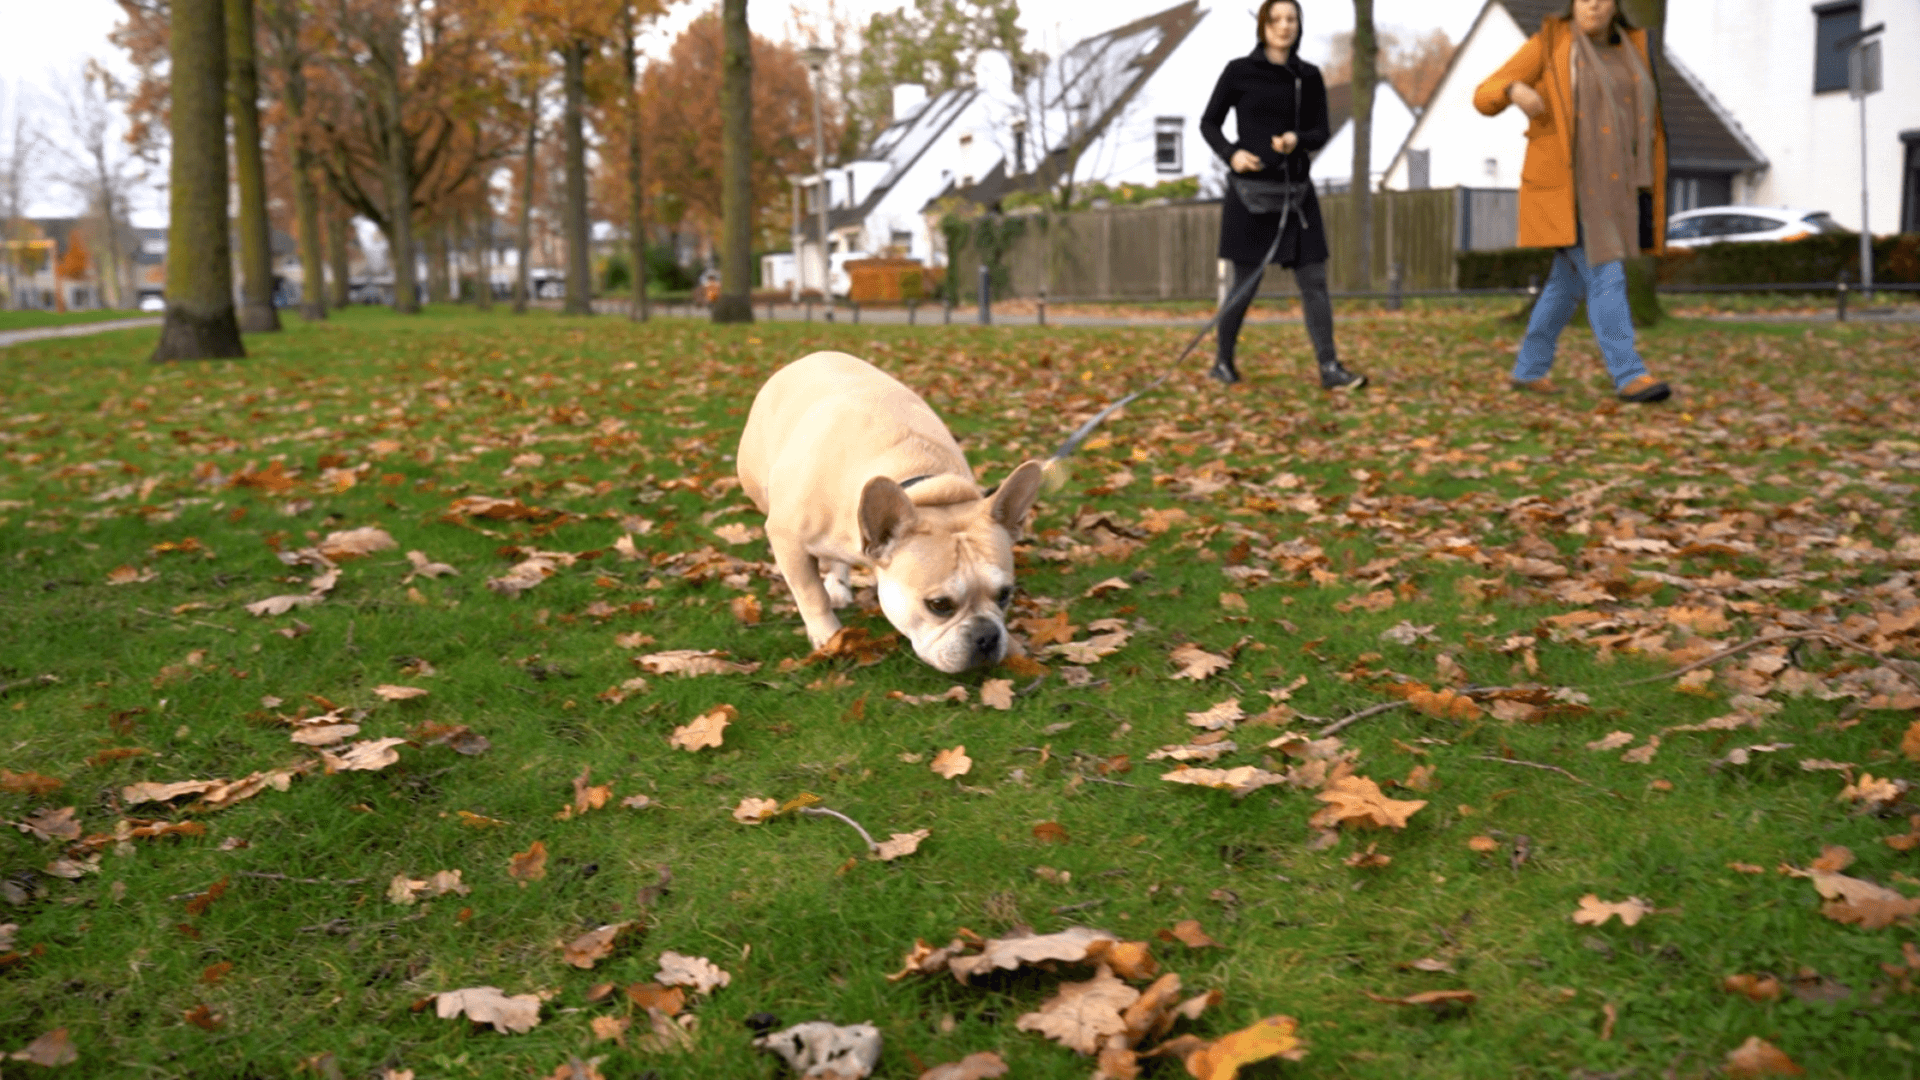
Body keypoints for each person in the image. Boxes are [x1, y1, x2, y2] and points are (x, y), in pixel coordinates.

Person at [1475, 0, 1671, 403]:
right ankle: (1629, 373)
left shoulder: (1634, 48)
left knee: (1564, 285)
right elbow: (1484, 94)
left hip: (1618, 187)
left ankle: (1529, 370)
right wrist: (1514, 90)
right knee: (1606, 273)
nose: (1593, 5)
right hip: (1570, 186)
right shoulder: (1550, 44)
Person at [1198, 0, 1366, 390]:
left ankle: (1330, 368)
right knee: (1244, 285)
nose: (1284, 26)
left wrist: (1296, 139)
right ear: (1263, 26)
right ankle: (1222, 363)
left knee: (1315, 281)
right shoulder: (1239, 71)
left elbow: (1321, 132)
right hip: (1250, 194)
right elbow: (1209, 123)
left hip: (1297, 195)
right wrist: (1231, 154)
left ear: (1299, 25)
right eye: (1276, 19)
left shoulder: (1308, 76)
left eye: (1292, 19)